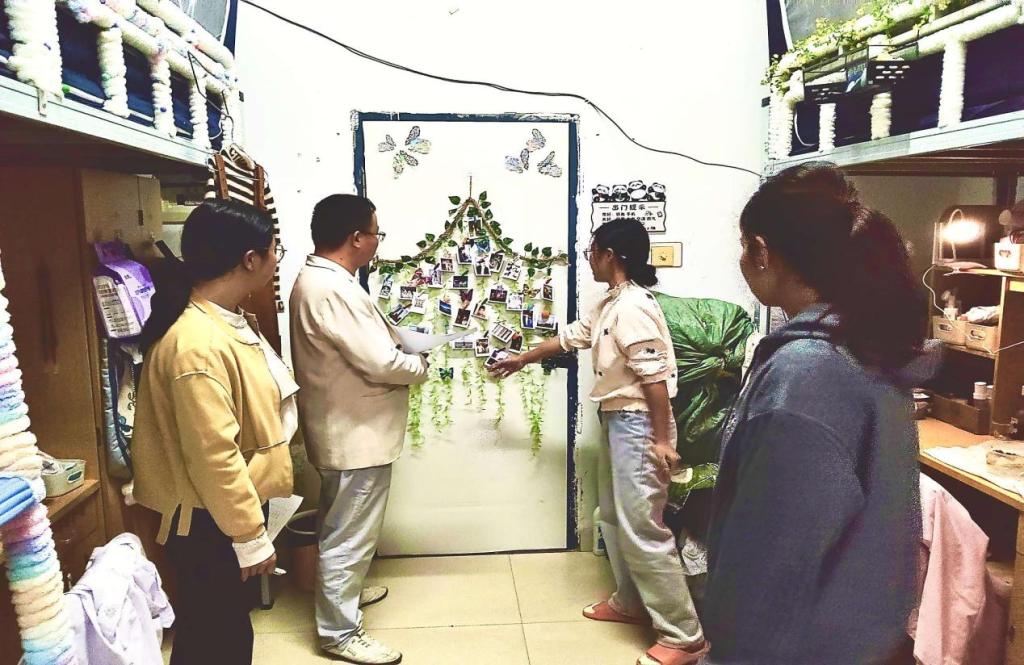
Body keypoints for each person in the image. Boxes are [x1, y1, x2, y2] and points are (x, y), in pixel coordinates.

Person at [703, 163, 935, 664]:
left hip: (797, 649)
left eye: (743, 246)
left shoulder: (806, 374)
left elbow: (773, 554)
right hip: (859, 639)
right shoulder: (865, 346)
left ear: (761, 251)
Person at [491, 218, 708, 665]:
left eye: (592, 251)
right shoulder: (611, 302)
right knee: (615, 516)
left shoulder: (634, 307)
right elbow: (572, 337)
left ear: (610, 255)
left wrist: (662, 440)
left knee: (643, 526)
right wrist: (522, 359)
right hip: (617, 419)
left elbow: (655, 378)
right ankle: (630, 603)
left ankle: (684, 636)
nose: (589, 258)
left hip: (639, 423)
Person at [132, 199, 296, 665]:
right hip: (209, 519)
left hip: (222, 509)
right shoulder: (197, 344)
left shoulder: (223, 320)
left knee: (217, 631)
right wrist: (249, 536)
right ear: (250, 260)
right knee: (217, 638)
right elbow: (214, 456)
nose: (277, 259)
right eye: (275, 250)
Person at [290, 194, 428, 664]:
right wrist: (418, 363)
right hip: (354, 434)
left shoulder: (324, 281)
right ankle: (339, 632)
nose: (376, 241)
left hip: (347, 428)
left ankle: (340, 599)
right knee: (349, 534)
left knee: (341, 525)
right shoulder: (332, 289)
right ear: (356, 238)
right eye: (375, 233)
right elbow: (381, 362)